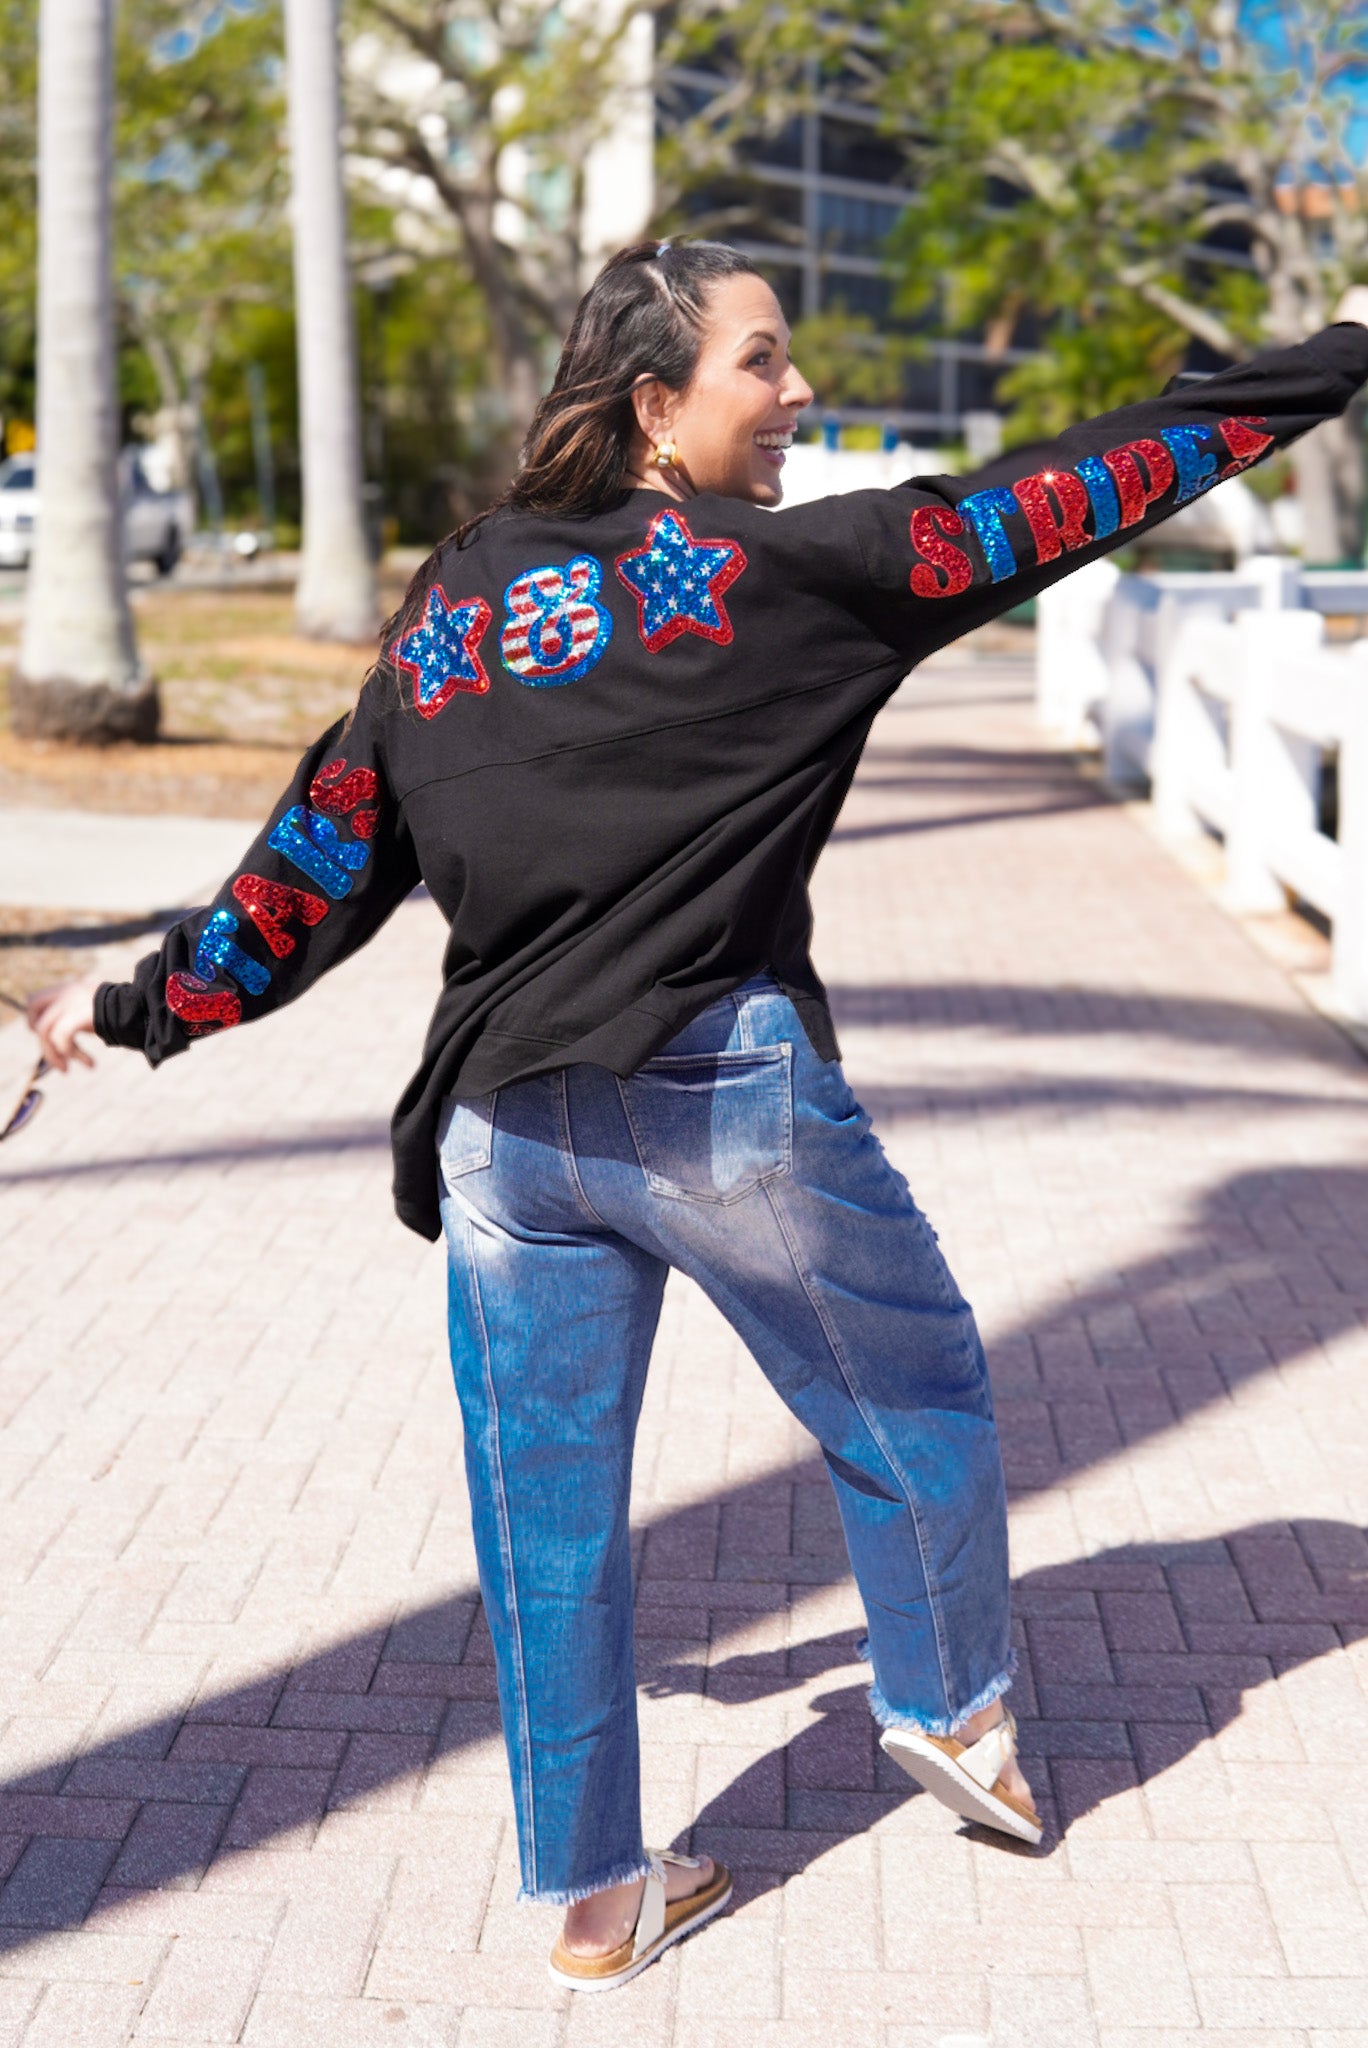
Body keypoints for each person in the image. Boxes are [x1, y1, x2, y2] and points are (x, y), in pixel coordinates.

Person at [29, 243, 1368, 1992]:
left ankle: (597, 1903)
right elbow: (1091, 482)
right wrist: (1335, 355)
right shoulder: (800, 574)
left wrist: (130, 1007)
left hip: (506, 1139)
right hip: (720, 1101)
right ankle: (955, 1720)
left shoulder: (451, 609)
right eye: (764, 361)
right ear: (658, 404)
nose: (796, 392)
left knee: (548, 1526)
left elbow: (310, 872)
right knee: (917, 1392)